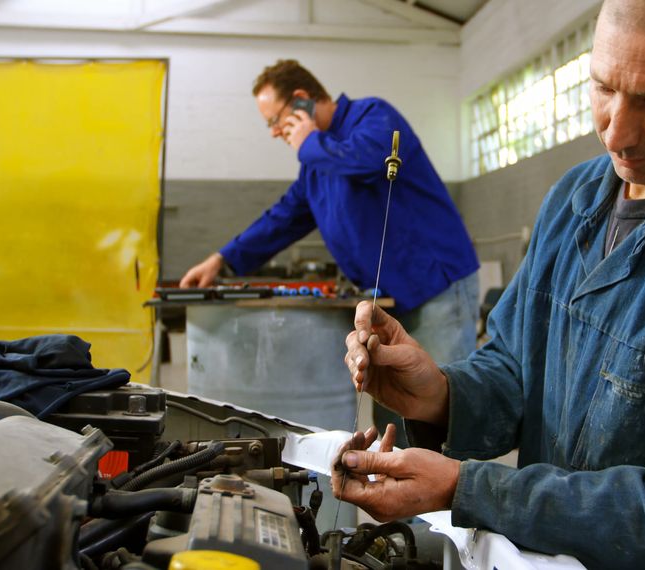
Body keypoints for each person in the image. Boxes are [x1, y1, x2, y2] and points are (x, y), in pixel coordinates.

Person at [334, 0, 645, 567]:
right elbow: (514, 366)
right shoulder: (575, 200)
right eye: (602, 87)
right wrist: (441, 395)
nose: (616, 132)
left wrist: (468, 488)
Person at [179, 60, 480, 442]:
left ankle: (453, 496)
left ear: (302, 100)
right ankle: (407, 493)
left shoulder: (372, 116)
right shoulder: (315, 164)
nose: (274, 132)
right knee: (399, 417)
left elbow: (370, 160)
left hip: (437, 291)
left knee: (442, 415)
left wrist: (310, 143)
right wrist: (222, 259)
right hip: (390, 303)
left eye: (276, 120)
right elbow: (284, 217)